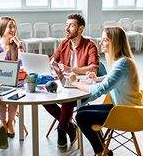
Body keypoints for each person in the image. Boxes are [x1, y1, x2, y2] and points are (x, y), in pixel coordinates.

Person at [68, 26, 143, 156]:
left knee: (80, 116)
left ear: (114, 42)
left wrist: (75, 83)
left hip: (127, 113)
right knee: (81, 111)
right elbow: (112, 78)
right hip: (122, 108)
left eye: (105, 40)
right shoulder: (122, 61)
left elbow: (99, 91)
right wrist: (97, 78)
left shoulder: (122, 63)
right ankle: (104, 150)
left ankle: (102, 152)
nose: (100, 43)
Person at [43, 13, 100, 147]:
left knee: (67, 100)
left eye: (72, 26)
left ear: (81, 29)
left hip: (82, 85)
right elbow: (52, 60)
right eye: (66, 25)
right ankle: (70, 126)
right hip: (65, 83)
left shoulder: (91, 46)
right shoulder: (63, 44)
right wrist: (49, 64)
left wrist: (71, 69)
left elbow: (93, 69)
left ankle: (62, 129)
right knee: (44, 97)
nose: (67, 29)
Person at [0, 16, 24, 138]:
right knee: (0, 95)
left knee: (15, 94)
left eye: (14, 26)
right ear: (2, 28)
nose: (13, 29)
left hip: (13, 80)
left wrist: (19, 46)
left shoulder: (17, 45)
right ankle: (3, 122)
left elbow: (22, 64)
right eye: (10, 27)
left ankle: (10, 121)